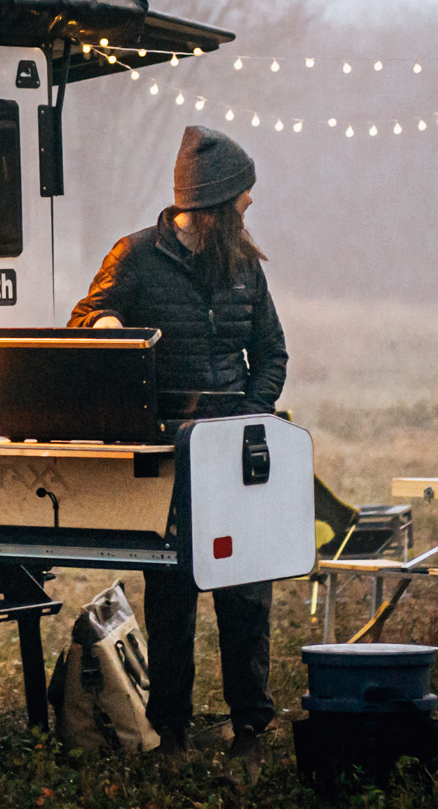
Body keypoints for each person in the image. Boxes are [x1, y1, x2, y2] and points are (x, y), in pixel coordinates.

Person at [69, 125, 288, 764]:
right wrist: (108, 326)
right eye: (242, 198)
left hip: (235, 451)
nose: (250, 207)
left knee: (247, 594)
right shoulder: (134, 257)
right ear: (216, 205)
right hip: (168, 455)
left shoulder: (245, 266)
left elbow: (271, 351)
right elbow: (85, 319)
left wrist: (252, 412)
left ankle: (251, 728)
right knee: (172, 597)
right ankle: (173, 731)